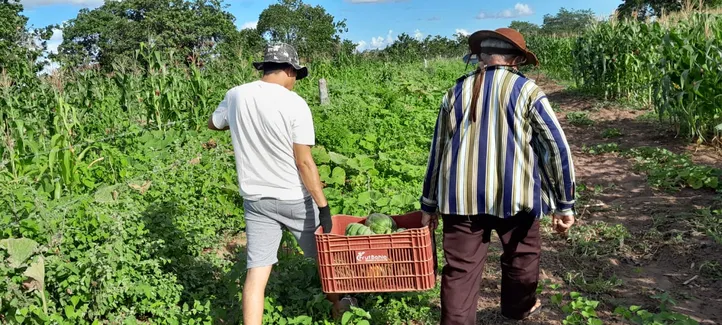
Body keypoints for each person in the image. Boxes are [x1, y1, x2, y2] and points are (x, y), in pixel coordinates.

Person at [419, 28, 577, 324]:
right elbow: (556, 149)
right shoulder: (527, 90)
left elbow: (437, 152)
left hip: (460, 199)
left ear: (481, 56)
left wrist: (428, 204)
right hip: (516, 195)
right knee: (522, 256)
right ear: (516, 59)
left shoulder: (455, 92)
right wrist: (564, 203)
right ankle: (517, 309)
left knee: (461, 270)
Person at [207, 42, 347, 324]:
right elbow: (304, 162)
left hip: (256, 199)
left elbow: (214, 124)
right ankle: (339, 307)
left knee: (257, 273)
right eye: (295, 74)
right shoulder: (294, 103)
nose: (295, 81)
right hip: (292, 197)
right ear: (287, 70)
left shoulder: (235, 95)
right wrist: (323, 206)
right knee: (324, 259)